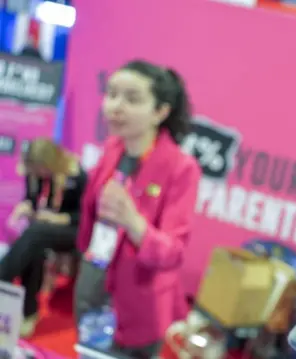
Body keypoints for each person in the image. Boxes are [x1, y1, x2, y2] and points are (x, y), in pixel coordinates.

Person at [74, 59, 201, 358]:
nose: (115, 106)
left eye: (132, 99)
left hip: (139, 302)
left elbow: (173, 251)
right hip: (93, 280)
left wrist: (134, 222)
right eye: (112, 94)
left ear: (160, 112)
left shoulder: (180, 168)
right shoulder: (113, 148)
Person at [1, 138, 87, 337]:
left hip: (73, 231)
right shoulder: (34, 173)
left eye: (41, 168)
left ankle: (3, 276)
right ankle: (29, 312)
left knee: (36, 233)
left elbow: (84, 216)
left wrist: (56, 218)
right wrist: (26, 207)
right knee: (34, 246)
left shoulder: (76, 174)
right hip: (43, 230)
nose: (39, 173)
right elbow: (32, 199)